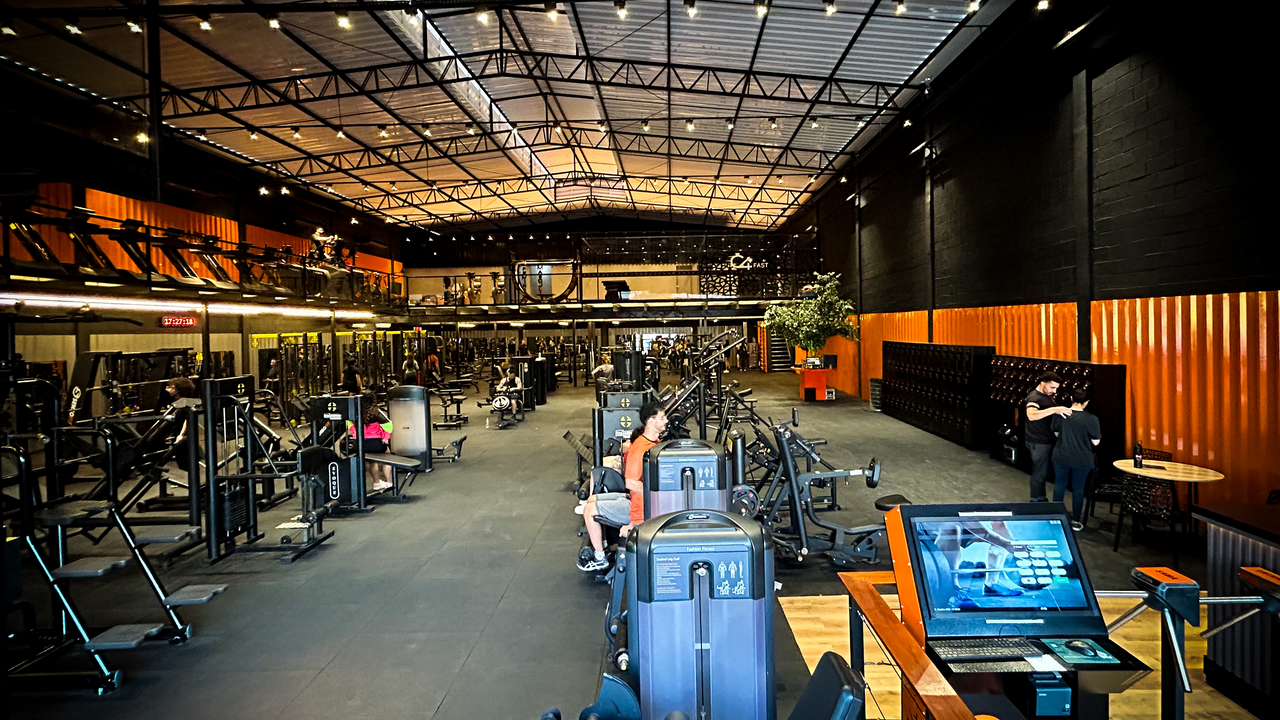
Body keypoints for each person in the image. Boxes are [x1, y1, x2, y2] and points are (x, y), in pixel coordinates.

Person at [578, 402, 667, 572]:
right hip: (638, 504)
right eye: (662, 418)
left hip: (642, 508)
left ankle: (599, 557)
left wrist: (635, 522)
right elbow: (631, 484)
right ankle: (602, 548)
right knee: (591, 501)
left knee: (589, 510)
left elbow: (634, 484)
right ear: (650, 421)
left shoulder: (653, 443)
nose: (666, 421)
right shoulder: (641, 447)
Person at [1051, 389, 1101, 531]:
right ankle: (1076, 521)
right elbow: (1096, 442)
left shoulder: (1060, 414)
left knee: (1059, 485)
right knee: (1078, 488)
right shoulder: (1092, 419)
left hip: (1061, 455)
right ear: (1087, 402)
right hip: (1082, 458)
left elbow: (1056, 433)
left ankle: (1055, 516)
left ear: (1071, 398)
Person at [1024, 372, 1070, 502]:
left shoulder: (1046, 396)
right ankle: (1037, 499)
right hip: (1038, 441)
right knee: (1040, 471)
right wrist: (1054, 410)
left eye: (1056, 388)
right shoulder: (1034, 398)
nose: (1054, 391)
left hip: (1045, 439)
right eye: (1052, 387)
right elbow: (1031, 415)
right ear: (1043, 383)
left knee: (1043, 470)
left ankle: (1039, 497)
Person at [350, 393, 394, 492]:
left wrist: (355, 434)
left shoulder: (355, 411)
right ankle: (389, 482)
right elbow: (388, 424)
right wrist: (386, 437)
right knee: (387, 457)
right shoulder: (376, 412)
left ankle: (377, 482)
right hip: (376, 444)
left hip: (360, 443)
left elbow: (349, 423)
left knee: (371, 462)